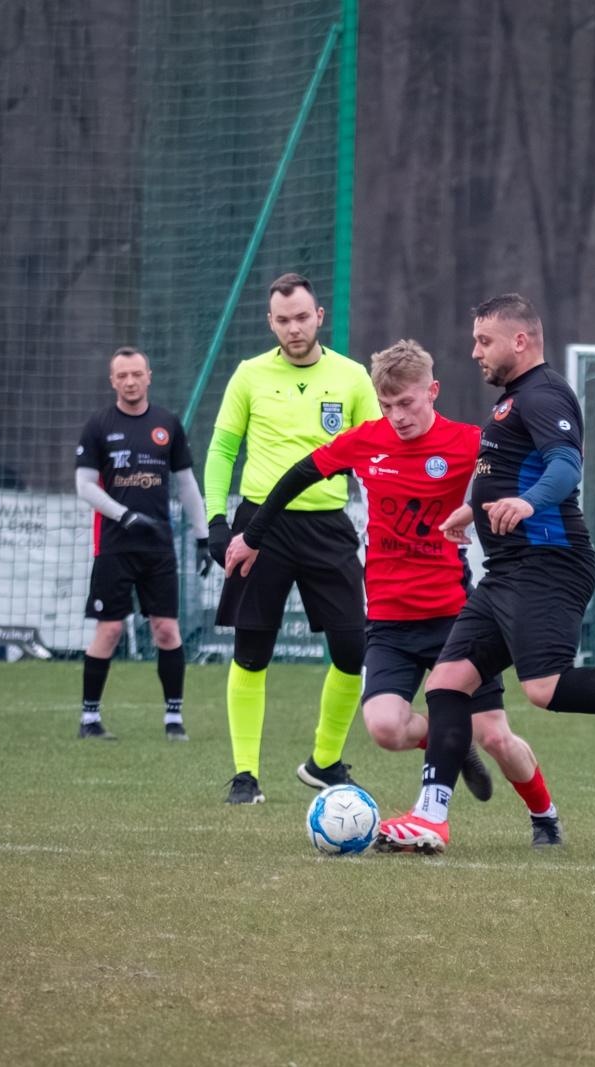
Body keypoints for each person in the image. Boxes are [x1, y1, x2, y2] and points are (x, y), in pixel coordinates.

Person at [375, 294, 595, 854]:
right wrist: (477, 508)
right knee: (446, 685)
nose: (474, 352)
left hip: (550, 563)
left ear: (520, 341)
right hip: (507, 569)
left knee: (543, 689)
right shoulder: (515, 400)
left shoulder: (543, 394)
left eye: (484, 341)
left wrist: (527, 503)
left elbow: (566, 464)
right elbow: (517, 469)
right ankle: (431, 817)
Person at [225, 339, 565, 845]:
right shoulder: (366, 441)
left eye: (406, 403)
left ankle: (545, 817)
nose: (397, 416)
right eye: (387, 406)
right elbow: (298, 474)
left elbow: (528, 472)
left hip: (454, 615)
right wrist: (252, 536)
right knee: (385, 728)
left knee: (495, 734)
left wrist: (508, 519)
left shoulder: (470, 441)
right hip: (387, 619)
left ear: (432, 391)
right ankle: (450, 742)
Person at [203, 273, 380, 804]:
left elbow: (375, 456)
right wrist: (217, 521)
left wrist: (382, 516)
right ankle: (244, 776)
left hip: (329, 526)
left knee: (353, 649)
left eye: (302, 317)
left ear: (320, 316)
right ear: (270, 322)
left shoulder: (351, 377)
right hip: (261, 526)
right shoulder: (249, 375)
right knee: (252, 650)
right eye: (283, 320)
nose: (294, 328)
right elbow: (221, 452)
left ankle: (324, 762)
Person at [74, 347, 209, 741]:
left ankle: (173, 719)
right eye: (122, 376)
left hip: (159, 548)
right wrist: (124, 515)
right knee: (110, 630)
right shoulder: (98, 425)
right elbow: (83, 486)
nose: (130, 381)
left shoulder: (167, 423)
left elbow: (186, 485)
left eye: (137, 374)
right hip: (114, 545)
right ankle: (89, 720)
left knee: (166, 629)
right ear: (112, 381)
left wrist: (202, 536)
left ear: (149, 376)